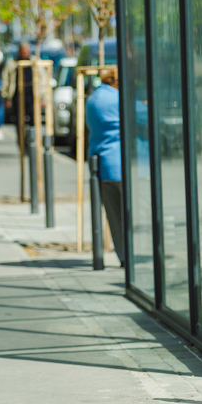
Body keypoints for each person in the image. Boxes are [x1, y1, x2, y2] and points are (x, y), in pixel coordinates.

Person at [85, 69, 124, 265]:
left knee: (114, 216)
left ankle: (123, 255)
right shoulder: (119, 99)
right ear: (115, 81)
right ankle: (132, 256)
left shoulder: (92, 99)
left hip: (102, 164)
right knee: (131, 213)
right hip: (123, 163)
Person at [2, 41, 34, 129]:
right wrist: (6, 97)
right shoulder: (12, 63)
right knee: (18, 120)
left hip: (31, 95)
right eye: (23, 51)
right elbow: (6, 80)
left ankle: (31, 139)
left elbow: (42, 80)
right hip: (17, 95)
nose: (25, 54)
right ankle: (21, 140)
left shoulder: (34, 63)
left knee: (33, 119)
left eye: (26, 51)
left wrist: (42, 96)